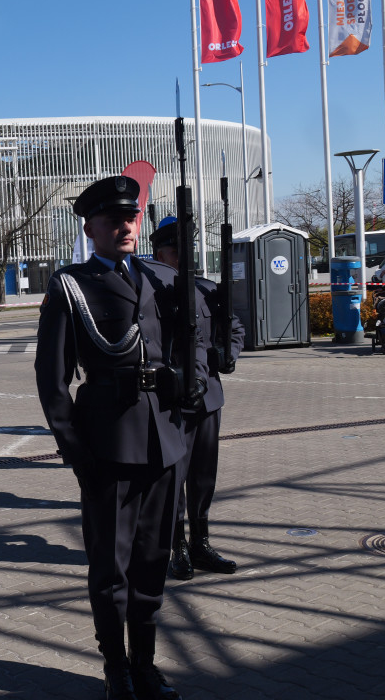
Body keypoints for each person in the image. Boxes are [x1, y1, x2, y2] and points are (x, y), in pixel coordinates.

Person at [35, 176, 207, 700]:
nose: (125, 226)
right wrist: (76, 452)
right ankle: (116, 670)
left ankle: (146, 665)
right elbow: (52, 381)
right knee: (111, 569)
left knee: (153, 562)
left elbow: (195, 336)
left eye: (131, 218)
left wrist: (191, 383)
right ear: (90, 228)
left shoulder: (159, 279)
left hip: (163, 441)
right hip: (107, 446)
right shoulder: (73, 286)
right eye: (112, 220)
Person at [150, 217, 244, 581]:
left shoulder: (206, 289)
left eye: (186, 251)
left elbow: (233, 326)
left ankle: (201, 542)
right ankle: (178, 547)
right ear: (160, 253)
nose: (182, 259)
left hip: (208, 399)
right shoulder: (150, 291)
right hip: (171, 401)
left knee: (204, 477)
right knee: (174, 476)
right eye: (175, 252)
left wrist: (229, 352)